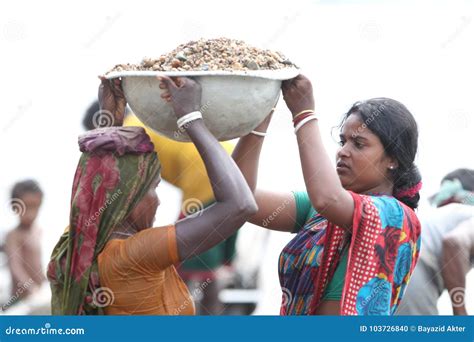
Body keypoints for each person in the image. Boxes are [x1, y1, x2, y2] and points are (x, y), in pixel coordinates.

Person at [47, 75, 257, 315]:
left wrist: (111, 119)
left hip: (214, 174)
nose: (159, 200)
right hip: (218, 174)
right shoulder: (137, 254)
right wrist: (191, 118)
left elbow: (106, 176)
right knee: (202, 271)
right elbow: (241, 204)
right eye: (153, 189)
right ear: (129, 197)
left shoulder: (74, 242)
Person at [232, 74, 422, 315]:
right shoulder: (321, 213)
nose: (343, 152)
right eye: (343, 142)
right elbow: (241, 199)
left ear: (393, 159)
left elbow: (327, 198)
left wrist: (304, 115)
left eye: (359, 144)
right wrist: (259, 119)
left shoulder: (395, 216)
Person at [83, 100, 239, 315]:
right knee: (213, 254)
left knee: (194, 266)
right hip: (229, 163)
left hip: (204, 178)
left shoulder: (126, 135)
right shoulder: (143, 121)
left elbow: (124, 182)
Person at [397, 169, 474, 315]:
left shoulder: (431, 215)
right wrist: (461, 314)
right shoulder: (471, 214)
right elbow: (454, 243)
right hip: (415, 274)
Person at [4, 180, 45, 307]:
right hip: (19, 300)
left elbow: (38, 265)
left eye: (34, 207)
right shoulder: (13, 235)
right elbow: (15, 266)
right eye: (25, 207)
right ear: (15, 208)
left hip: (37, 296)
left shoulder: (38, 231)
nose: (30, 213)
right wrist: (31, 288)